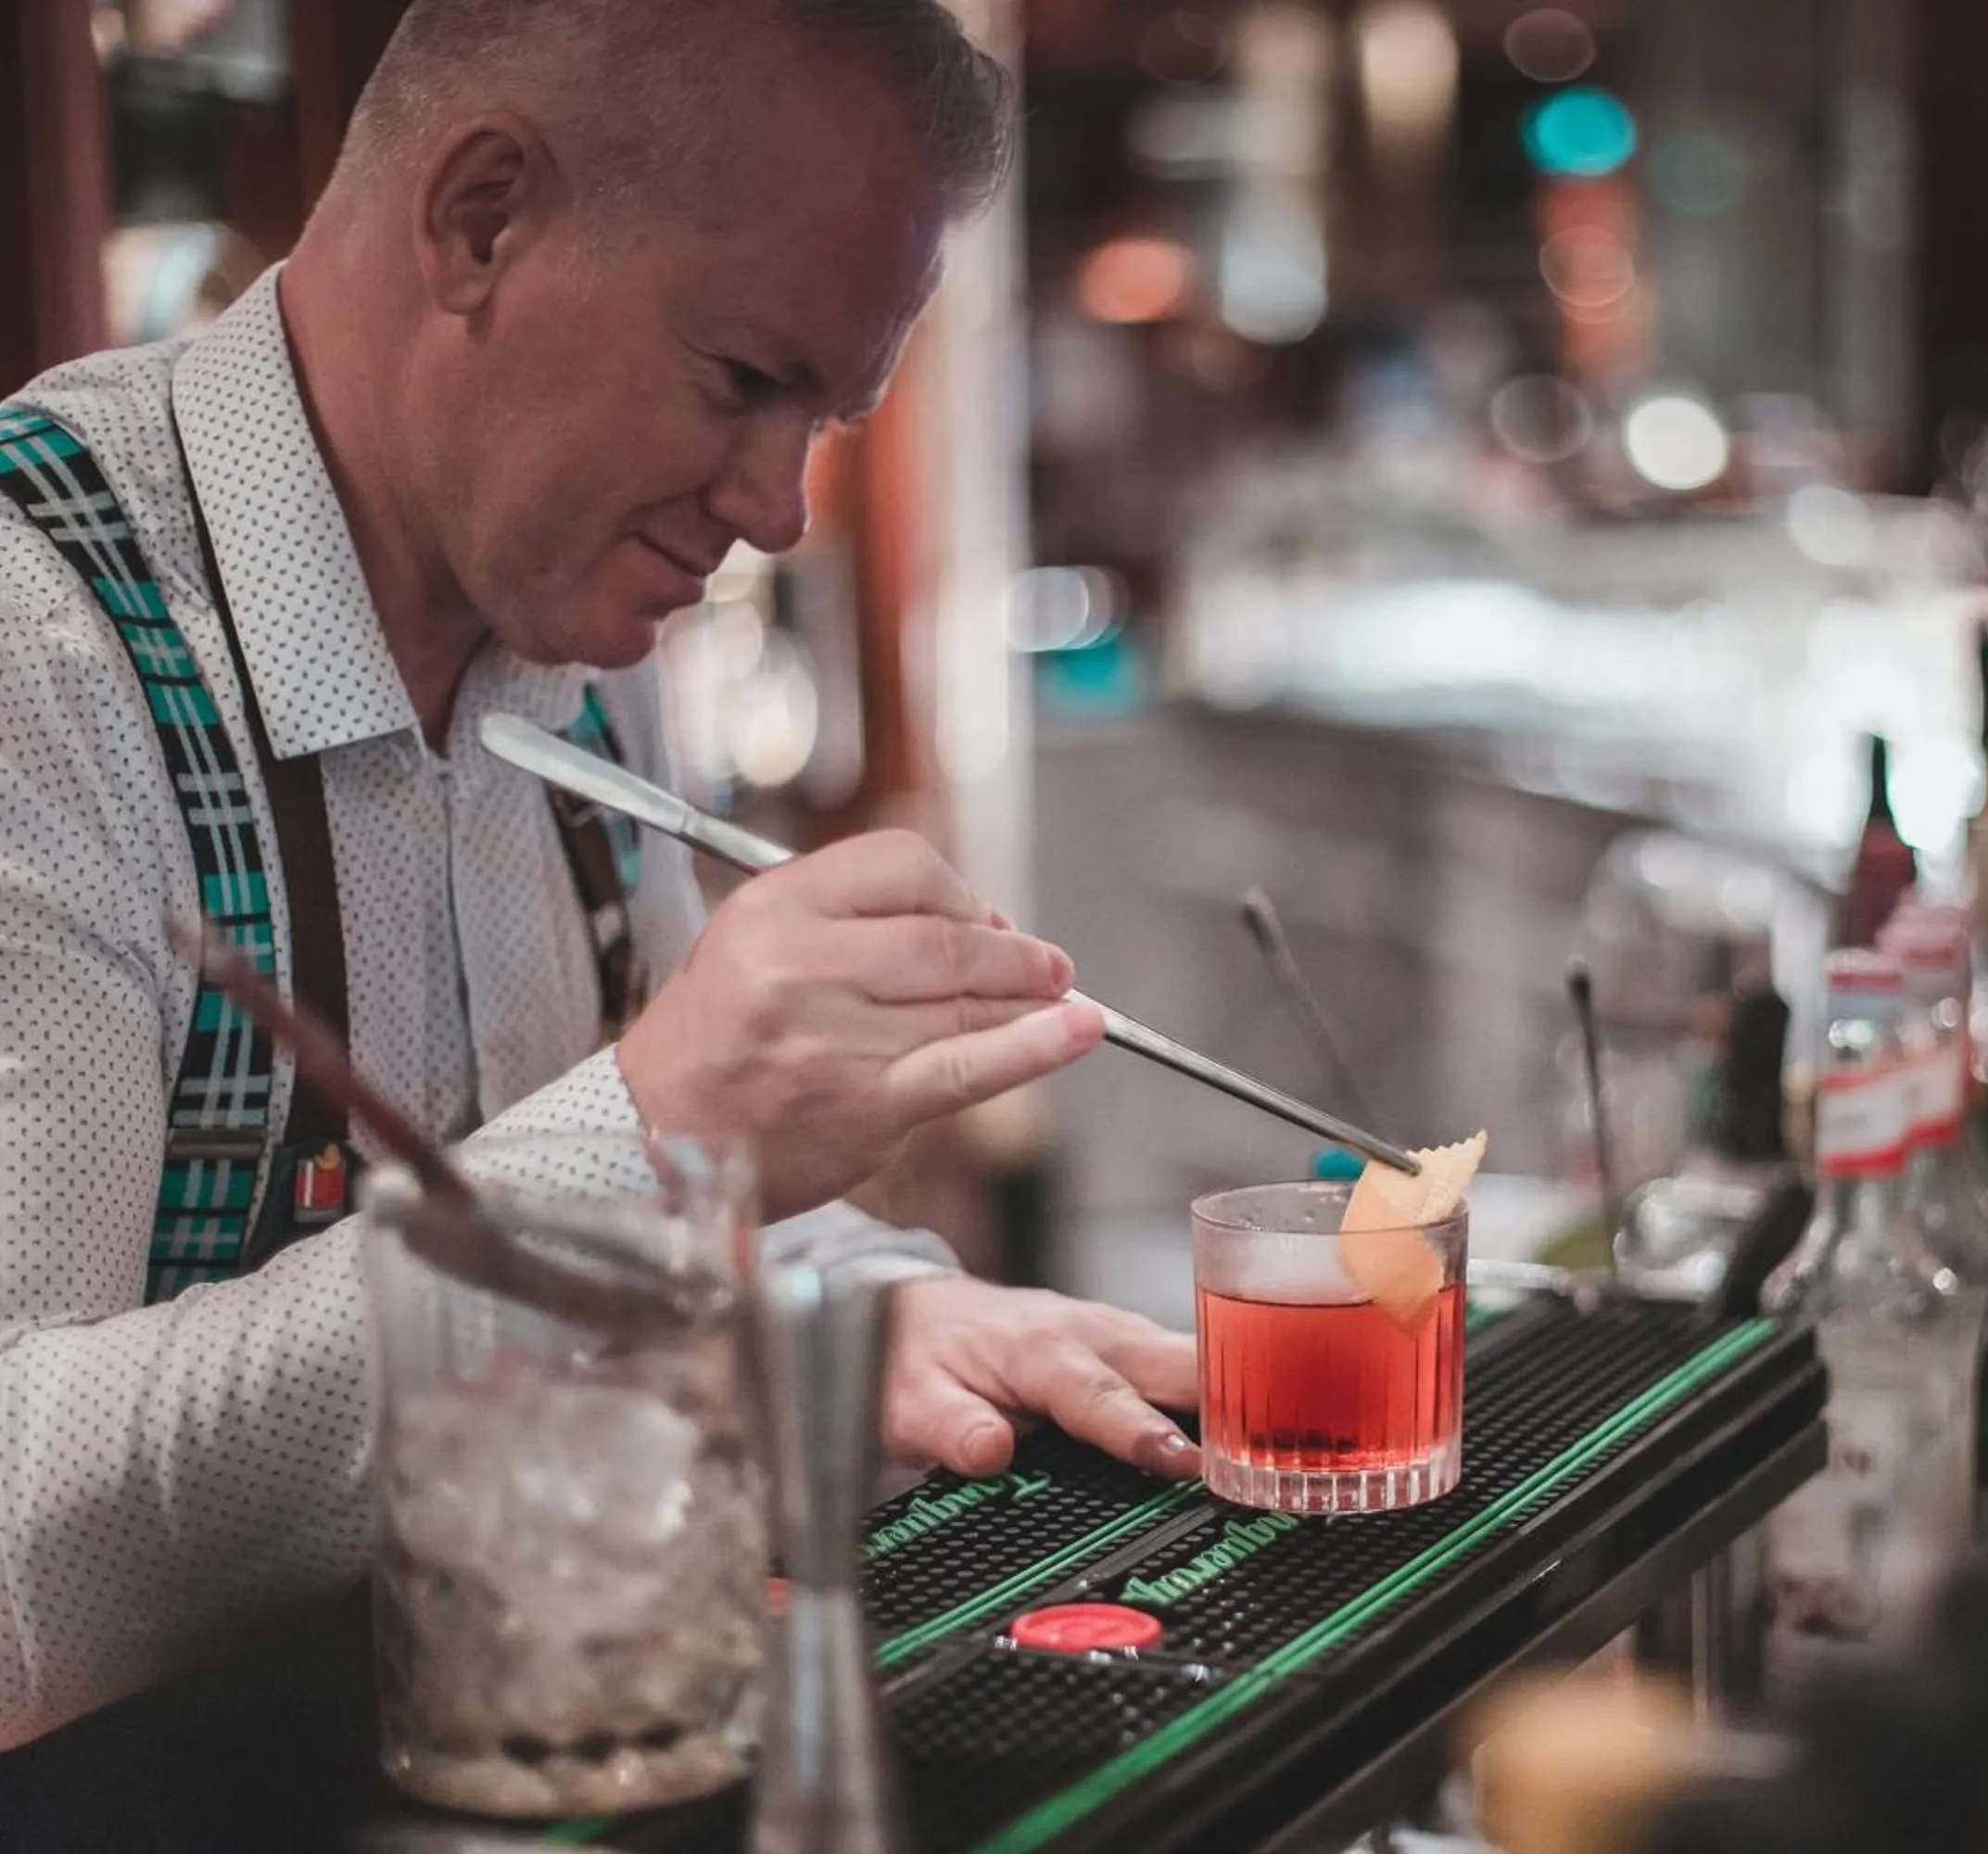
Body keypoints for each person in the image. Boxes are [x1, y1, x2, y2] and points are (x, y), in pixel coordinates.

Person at [0, 0, 1197, 1749]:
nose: (783, 509)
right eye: (743, 380)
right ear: (481, 218)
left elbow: (625, 1273)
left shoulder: (576, 612)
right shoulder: (43, 650)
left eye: (831, 414)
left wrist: (869, 1307)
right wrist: (652, 1139)